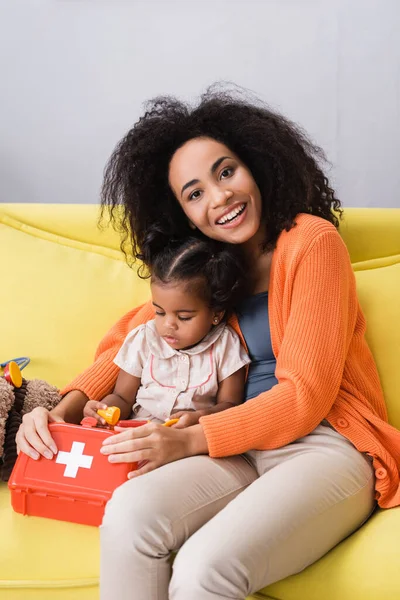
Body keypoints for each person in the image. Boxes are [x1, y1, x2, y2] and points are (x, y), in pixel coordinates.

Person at [16, 85, 400, 600]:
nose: (219, 197)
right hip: (234, 448)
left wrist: (190, 439)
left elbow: (306, 395)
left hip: (324, 446)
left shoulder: (311, 243)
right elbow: (136, 340)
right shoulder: (209, 271)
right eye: (194, 193)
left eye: (226, 171)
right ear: (182, 215)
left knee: (203, 569)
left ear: (258, 165)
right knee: (128, 515)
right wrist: (62, 410)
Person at [83, 237, 250, 434]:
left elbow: (230, 405)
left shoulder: (225, 345)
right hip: (136, 432)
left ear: (216, 314)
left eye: (184, 317)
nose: (168, 324)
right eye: (159, 312)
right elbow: (122, 397)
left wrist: (200, 417)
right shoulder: (144, 339)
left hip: (188, 439)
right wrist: (103, 409)